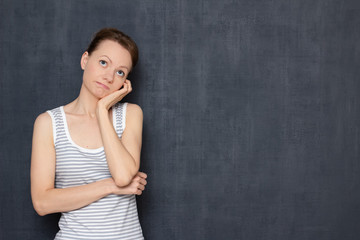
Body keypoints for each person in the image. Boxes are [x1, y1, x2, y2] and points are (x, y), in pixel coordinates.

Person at [30, 28, 147, 239]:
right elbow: (42, 202)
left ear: (125, 81)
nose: (109, 76)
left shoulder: (131, 114)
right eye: (103, 62)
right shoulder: (48, 123)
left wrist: (102, 111)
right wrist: (108, 186)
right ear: (85, 60)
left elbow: (122, 175)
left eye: (120, 72)